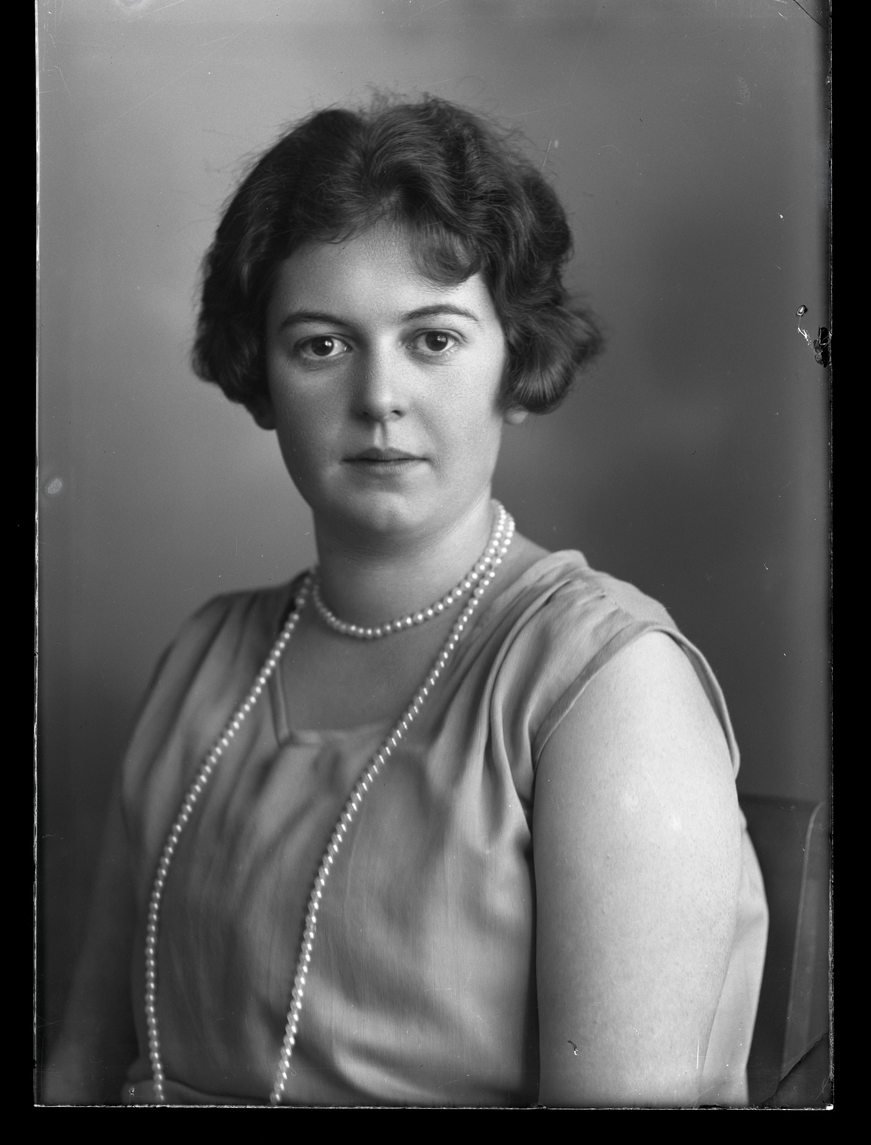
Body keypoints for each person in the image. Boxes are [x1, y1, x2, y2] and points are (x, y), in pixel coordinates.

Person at [44, 96, 767, 1107]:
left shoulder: (609, 686)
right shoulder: (205, 660)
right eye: (322, 345)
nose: (378, 396)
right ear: (263, 377)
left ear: (516, 359)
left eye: (432, 340)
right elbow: (81, 1068)